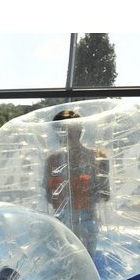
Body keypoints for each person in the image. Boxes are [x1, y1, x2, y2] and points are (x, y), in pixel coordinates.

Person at [45, 109, 110, 256]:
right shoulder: (52, 160)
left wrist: (74, 191)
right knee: (65, 265)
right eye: (58, 130)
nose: (62, 135)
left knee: (84, 264)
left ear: (79, 130)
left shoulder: (98, 158)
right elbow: (48, 197)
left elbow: (105, 194)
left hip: (86, 222)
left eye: (66, 130)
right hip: (61, 223)